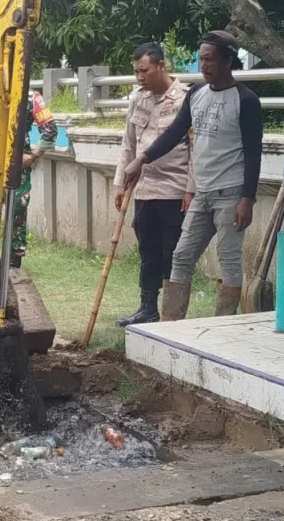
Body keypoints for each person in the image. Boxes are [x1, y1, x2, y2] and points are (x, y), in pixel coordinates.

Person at [122, 30, 263, 319]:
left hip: (231, 193)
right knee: (181, 255)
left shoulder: (245, 100)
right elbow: (175, 132)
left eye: (209, 59)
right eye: (200, 59)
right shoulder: (196, 94)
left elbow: (253, 152)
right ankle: (171, 324)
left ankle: (225, 324)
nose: (203, 65)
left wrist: (247, 198)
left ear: (228, 61)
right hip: (202, 193)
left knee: (229, 260)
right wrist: (142, 159)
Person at [113, 42, 194, 327]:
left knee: (172, 251)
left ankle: (172, 314)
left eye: (144, 70)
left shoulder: (185, 98)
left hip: (175, 188)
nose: (139, 77)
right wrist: (120, 184)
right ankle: (147, 307)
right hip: (144, 189)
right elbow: (128, 144)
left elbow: (194, 148)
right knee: (148, 251)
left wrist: (190, 188)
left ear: (161, 65)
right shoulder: (138, 98)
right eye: (136, 72)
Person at [11, 89, 59, 267]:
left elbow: (50, 128)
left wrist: (33, 156)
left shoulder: (31, 97)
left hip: (17, 166)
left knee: (17, 211)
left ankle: (13, 262)